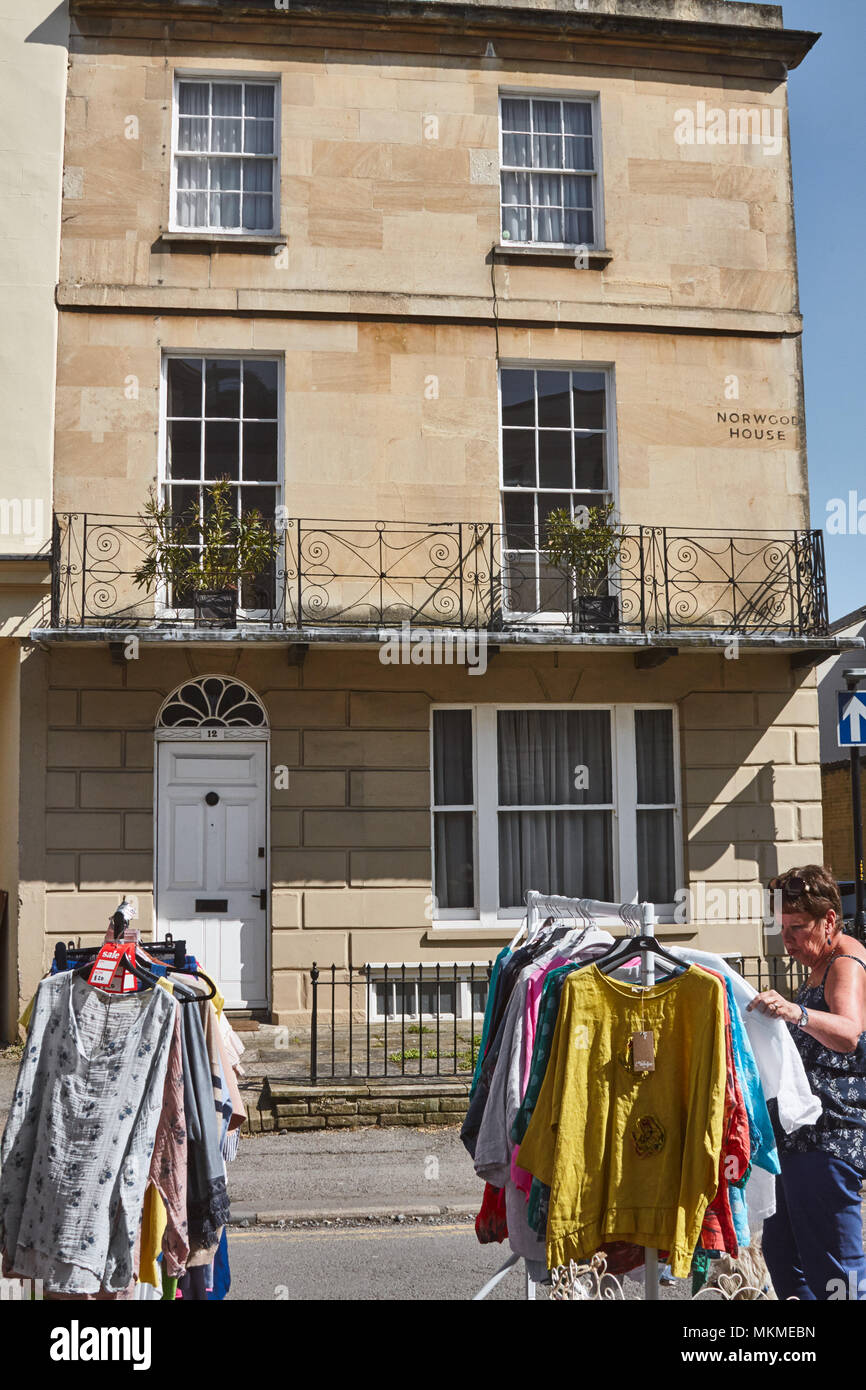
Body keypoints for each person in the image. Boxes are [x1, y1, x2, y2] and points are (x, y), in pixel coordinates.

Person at [748, 865, 866, 1300]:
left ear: (830, 921)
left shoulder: (846, 962)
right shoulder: (821, 962)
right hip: (800, 1137)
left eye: (797, 927)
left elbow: (850, 1032)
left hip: (829, 1138)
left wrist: (795, 1013)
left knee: (835, 1265)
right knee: (783, 1253)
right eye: (783, 928)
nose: (789, 939)